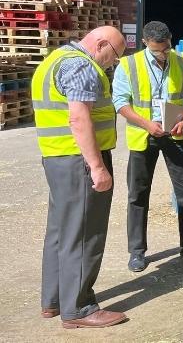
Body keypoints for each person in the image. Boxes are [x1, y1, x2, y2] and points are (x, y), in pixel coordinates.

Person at [32, 26, 128, 328]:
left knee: (61, 230)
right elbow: (78, 116)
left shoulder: (54, 60)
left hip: (57, 157)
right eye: (113, 57)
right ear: (100, 44)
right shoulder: (82, 67)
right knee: (86, 233)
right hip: (80, 161)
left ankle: (55, 300)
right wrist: (97, 166)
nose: (111, 65)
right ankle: (80, 308)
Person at [112, 21, 183, 272]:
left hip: (176, 133)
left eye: (166, 48)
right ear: (144, 43)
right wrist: (147, 124)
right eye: (157, 50)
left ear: (170, 40)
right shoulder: (128, 65)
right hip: (144, 136)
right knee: (138, 195)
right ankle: (137, 251)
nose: (163, 54)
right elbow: (120, 103)